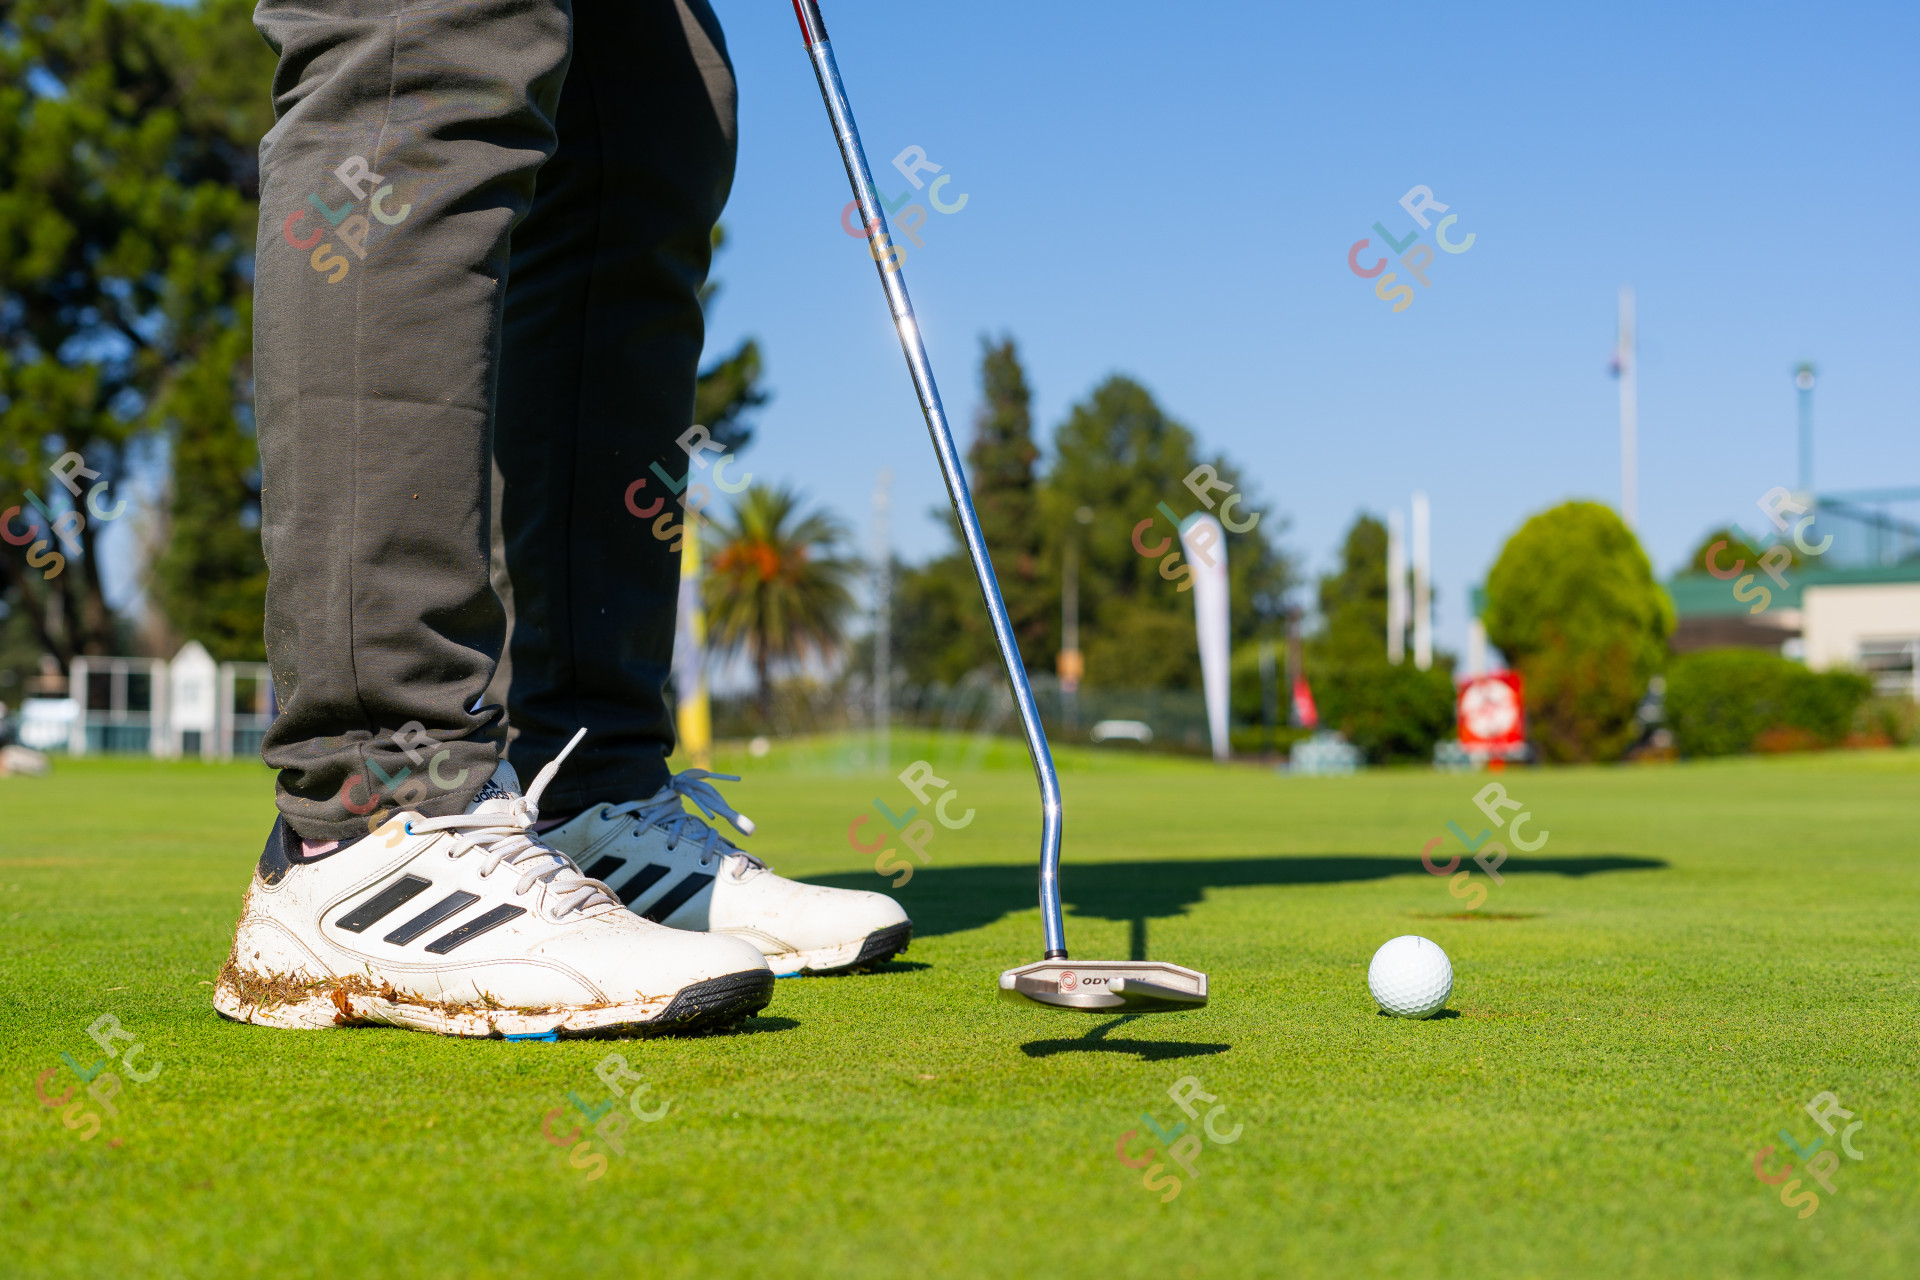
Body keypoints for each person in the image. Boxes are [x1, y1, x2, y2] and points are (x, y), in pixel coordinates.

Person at [216, 0, 908, 1040]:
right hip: (376, 804)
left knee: (648, 123)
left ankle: (585, 790)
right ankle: (371, 811)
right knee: (440, 37)